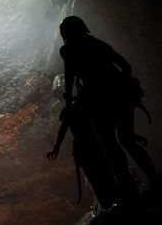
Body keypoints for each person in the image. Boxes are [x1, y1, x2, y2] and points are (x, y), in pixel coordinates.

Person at [59, 16, 160, 194]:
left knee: (110, 145)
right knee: (127, 140)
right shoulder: (96, 44)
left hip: (98, 101)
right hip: (119, 97)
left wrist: (69, 100)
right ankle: (154, 180)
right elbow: (125, 66)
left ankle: (127, 188)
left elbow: (69, 77)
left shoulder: (68, 51)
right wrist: (123, 87)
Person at [47, 97, 116, 209]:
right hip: (90, 145)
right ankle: (109, 203)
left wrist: (57, 148)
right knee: (101, 174)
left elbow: (63, 128)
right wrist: (56, 148)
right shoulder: (80, 106)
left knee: (99, 176)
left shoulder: (74, 108)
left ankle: (109, 203)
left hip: (86, 146)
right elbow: (63, 128)